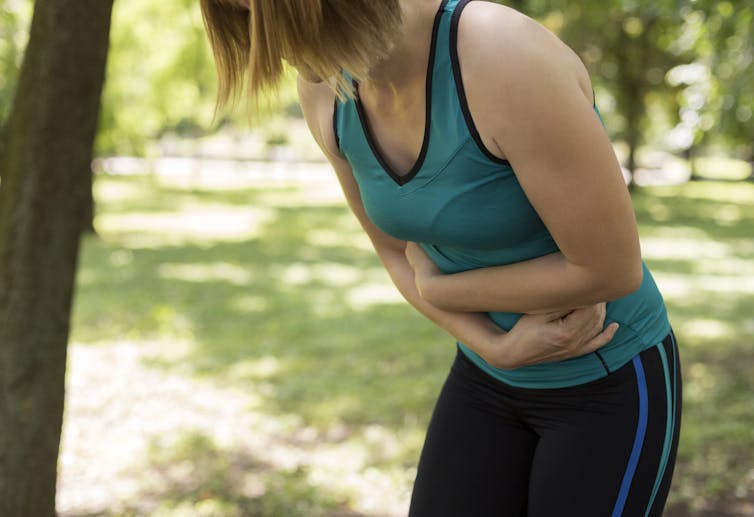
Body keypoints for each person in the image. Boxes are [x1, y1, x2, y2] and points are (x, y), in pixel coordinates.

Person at [199, 1, 682, 515]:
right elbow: (393, 253)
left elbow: (610, 269)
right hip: (485, 376)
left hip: (605, 377)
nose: (262, 44)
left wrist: (444, 288)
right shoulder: (326, 91)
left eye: (260, 15)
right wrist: (496, 349)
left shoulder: (500, 53)